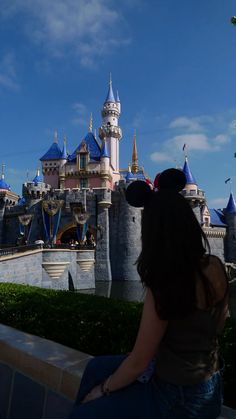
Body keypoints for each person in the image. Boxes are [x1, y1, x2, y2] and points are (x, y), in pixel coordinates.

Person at [69, 168, 229, 419]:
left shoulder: (165, 280)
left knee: (84, 412)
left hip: (177, 395)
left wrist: (103, 389)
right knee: (94, 367)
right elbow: (219, 322)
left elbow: (138, 361)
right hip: (211, 382)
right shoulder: (215, 266)